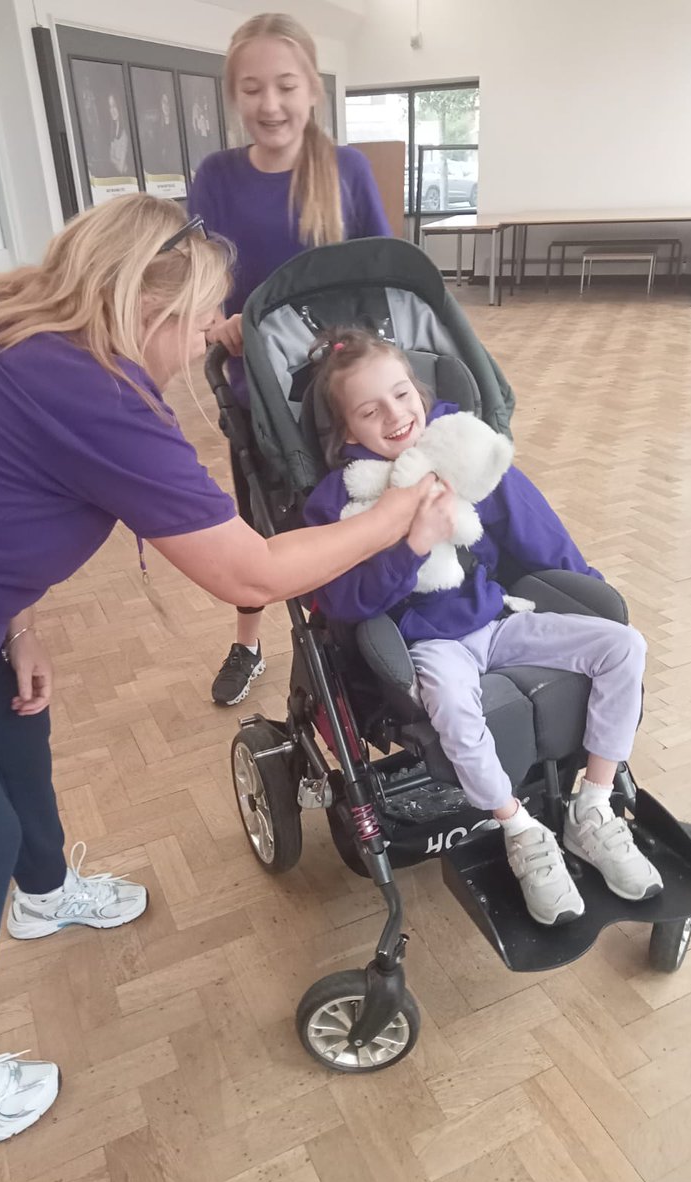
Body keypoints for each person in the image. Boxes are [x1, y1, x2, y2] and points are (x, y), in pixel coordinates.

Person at [0, 197, 435, 1167]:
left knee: (17, 728)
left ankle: (46, 893)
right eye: (203, 319)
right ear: (150, 309)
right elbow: (249, 575)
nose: (204, 342)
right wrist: (393, 520)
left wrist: (19, 618)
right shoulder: (95, 390)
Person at [302, 329, 664, 927]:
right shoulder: (341, 500)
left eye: (401, 395)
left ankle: (592, 811)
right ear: (347, 431)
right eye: (370, 411)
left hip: (495, 620)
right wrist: (411, 547)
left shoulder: (459, 454)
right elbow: (343, 599)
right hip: (426, 642)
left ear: (418, 390)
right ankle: (519, 829)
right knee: (453, 705)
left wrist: (587, 587)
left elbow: (531, 527)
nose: (395, 416)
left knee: (623, 645)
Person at [187, 12, 392, 706]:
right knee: (258, 521)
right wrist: (217, 325)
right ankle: (248, 643)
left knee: (352, 508)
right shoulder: (216, 175)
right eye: (251, 89)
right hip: (258, 393)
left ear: (312, 91)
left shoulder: (347, 171)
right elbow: (201, 280)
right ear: (234, 96)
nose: (269, 105)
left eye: (284, 86)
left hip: (344, 389)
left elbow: (381, 279)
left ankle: (360, 631)